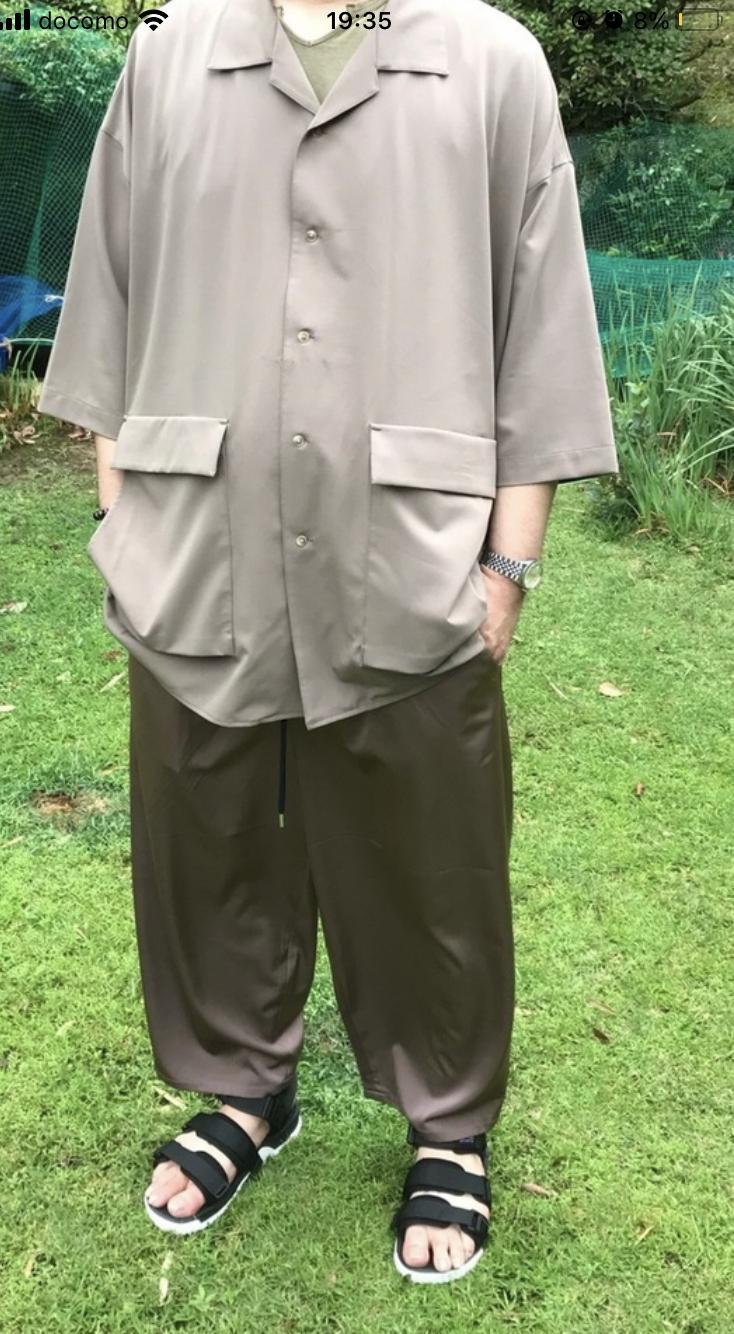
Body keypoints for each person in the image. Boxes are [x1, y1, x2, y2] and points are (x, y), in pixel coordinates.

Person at [37, 0, 619, 1284]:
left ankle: (448, 1120)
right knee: (208, 828)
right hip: (193, 539)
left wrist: (510, 566)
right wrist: (121, 521)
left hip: (415, 550)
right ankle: (246, 1088)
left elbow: (542, 330)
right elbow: (110, 304)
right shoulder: (167, 50)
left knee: (432, 845)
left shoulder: (492, 61)